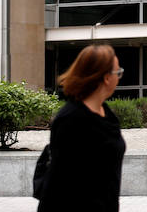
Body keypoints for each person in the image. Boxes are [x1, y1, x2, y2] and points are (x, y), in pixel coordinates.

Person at [37, 44, 127, 212]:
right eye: (118, 72)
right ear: (107, 78)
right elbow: (58, 183)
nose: (119, 77)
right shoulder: (70, 119)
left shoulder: (107, 114)